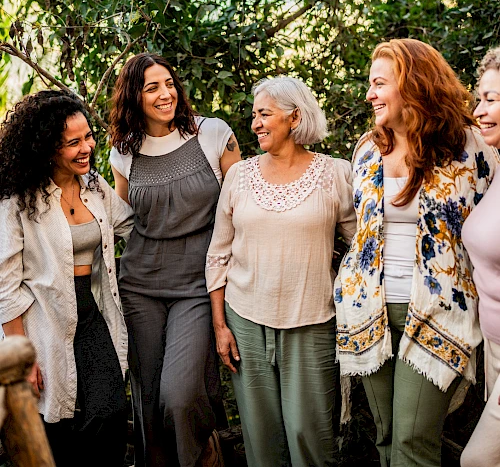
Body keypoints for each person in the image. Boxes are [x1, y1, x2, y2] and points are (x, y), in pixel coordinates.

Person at [334, 38, 500, 467]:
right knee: (388, 441)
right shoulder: (367, 151)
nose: (369, 94)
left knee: (412, 442)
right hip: (368, 312)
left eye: (379, 83)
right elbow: (362, 234)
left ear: (412, 84)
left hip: (439, 312)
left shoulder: (470, 150)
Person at [206, 76, 356, 467]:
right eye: (254, 114)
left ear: (294, 117)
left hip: (312, 321)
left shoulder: (335, 174)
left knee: (313, 440)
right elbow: (218, 254)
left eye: (265, 114)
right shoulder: (239, 175)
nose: (255, 123)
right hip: (245, 323)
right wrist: (220, 326)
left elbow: (364, 244)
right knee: (262, 444)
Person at [109, 53, 241, 467]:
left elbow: (242, 207)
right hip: (140, 284)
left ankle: (205, 454)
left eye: (169, 83)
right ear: (134, 97)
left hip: (199, 285)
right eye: (152, 87)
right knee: (147, 404)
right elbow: (124, 217)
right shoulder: (123, 151)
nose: (166, 94)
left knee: (180, 397)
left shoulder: (212, 133)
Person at [0, 90, 134, 466]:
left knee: (107, 411)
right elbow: (4, 285)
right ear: (46, 148)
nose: (86, 147)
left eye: (88, 137)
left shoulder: (94, 186)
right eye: (72, 142)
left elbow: (131, 225)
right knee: (56, 422)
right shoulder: (18, 201)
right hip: (40, 319)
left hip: (93, 312)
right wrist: (21, 357)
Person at [461, 47, 500, 467]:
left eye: (492, 99)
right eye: (480, 99)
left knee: (477, 461)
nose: (480, 109)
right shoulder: (497, 164)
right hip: (494, 347)